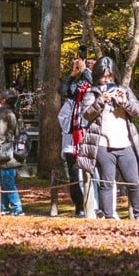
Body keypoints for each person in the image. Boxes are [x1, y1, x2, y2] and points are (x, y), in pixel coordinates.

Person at [76, 56, 139, 221]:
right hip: (102, 144)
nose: (107, 80)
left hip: (125, 143)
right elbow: (86, 115)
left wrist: (125, 102)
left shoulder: (125, 90)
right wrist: (101, 100)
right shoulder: (91, 92)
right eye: (103, 76)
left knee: (133, 182)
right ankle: (109, 216)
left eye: (110, 76)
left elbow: (137, 111)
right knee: (106, 183)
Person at [57, 57, 92, 216]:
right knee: (74, 174)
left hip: (89, 136)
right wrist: (73, 73)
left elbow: (95, 84)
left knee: (92, 173)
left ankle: (94, 205)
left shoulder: (95, 89)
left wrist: (85, 70)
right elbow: (63, 90)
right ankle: (79, 206)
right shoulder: (73, 95)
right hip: (71, 138)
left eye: (92, 64)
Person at [0, 90, 25, 216]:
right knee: (4, 180)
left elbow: (0, 134)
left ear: (4, 100)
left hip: (6, 152)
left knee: (7, 181)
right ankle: (4, 206)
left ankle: (17, 207)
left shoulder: (4, 115)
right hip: (14, 151)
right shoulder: (14, 113)